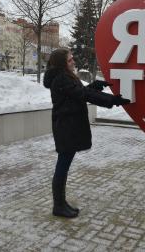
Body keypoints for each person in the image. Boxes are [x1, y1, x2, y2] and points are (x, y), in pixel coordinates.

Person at [43, 48, 130, 218]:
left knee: (63, 165)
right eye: (69, 60)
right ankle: (58, 206)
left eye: (72, 59)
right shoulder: (62, 78)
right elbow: (82, 94)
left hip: (67, 126)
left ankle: (60, 203)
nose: (73, 61)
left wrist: (95, 86)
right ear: (62, 63)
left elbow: (77, 94)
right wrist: (112, 100)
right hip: (66, 128)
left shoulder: (64, 77)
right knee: (62, 166)